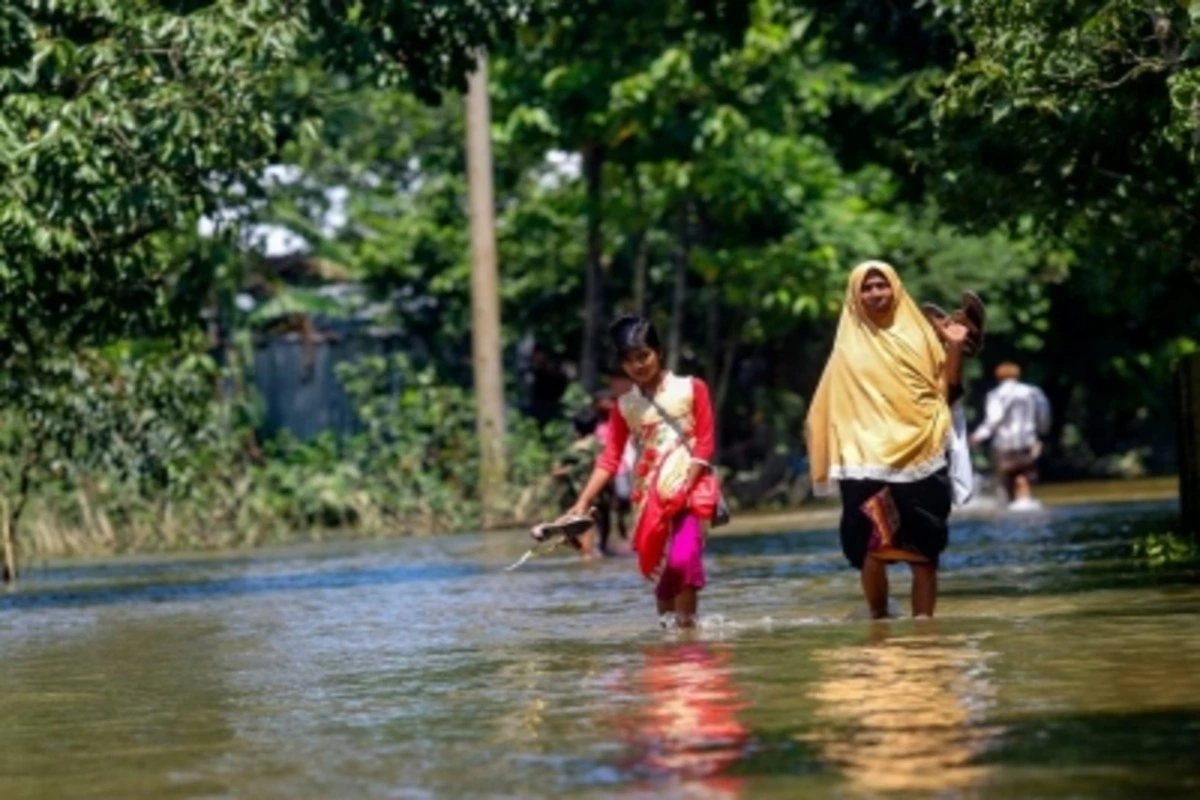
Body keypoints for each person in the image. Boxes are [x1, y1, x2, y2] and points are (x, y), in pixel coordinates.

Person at [806, 261, 969, 619]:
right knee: (871, 549)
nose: (876, 293)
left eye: (882, 285)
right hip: (865, 458)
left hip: (921, 452)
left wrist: (954, 347)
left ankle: (924, 635)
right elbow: (831, 406)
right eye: (866, 287)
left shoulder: (923, 335)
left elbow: (948, 392)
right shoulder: (846, 348)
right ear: (854, 295)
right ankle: (878, 625)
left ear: (895, 287)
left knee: (925, 555)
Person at [563, 315, 722, 628]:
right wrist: (581, 503)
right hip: (651, 498)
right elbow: (610, 459)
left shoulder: (692, 388)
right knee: (663, 573)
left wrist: (684, 487)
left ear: (658, 352)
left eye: (643, 356)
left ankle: (688, 639)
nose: (638, 366)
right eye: (628, 360)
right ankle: (670, 645)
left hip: (690, 494)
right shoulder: (625, 407)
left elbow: (705, 444)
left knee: (682, 561)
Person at [969, 362, 1052, 511]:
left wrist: (979, 435)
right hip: (1028, 440)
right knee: (1024, 474)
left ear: (998, 376)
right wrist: (1042, 431)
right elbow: (1044, 413)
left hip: (1004, 443)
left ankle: (1012, 507)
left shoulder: (995, 394)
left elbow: (994, 419)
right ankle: (1025, 503)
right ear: (1017, 375)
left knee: (1008, 476)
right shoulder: (1033, 392)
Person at [552, 407, 612, 557]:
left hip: (579, 495)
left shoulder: (572, 450)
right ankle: (598, 552)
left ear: (575, 427)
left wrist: (568, 472)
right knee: (603, 526)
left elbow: (556, 473)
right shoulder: (601, 446)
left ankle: (587, 556)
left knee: (585, 528)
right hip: (601, 493)